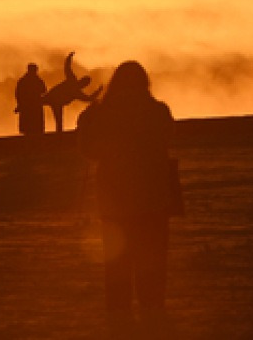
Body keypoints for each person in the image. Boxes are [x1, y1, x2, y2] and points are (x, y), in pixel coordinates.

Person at [77, 61, 176, 326]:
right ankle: (152, 306)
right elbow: (169, 138)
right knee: (152, 256)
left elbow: (89, 149)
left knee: (117, 259)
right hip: (153, 199)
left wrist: (90, 114)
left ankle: (119, 310)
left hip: (114, 200)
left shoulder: (102, 114)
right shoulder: (157, 111)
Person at [43, 52, 101, 133]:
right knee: (36, 103)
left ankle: (59, 134)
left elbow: (89, 98)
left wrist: (98, 91)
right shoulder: (72, 81)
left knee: (59, 120)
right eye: (84, 82)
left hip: (57, 102)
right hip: (52, 96)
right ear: (81, 81)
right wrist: (69, 58)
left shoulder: (77, 92)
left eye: (85, 84)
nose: (84, 85)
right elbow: (67, 68)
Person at [14, 62, 47, 138]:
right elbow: (44, 90)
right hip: (31, 106)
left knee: (31, 128)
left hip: (31, 106)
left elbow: (18, 94)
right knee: (31, 128)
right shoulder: (35, 80)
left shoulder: (24, 80)